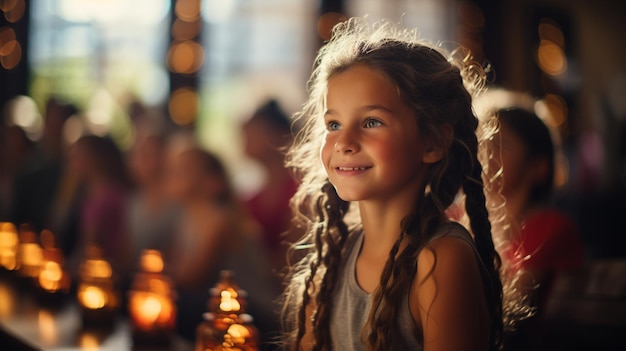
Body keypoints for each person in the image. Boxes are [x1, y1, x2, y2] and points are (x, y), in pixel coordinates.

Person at [281, 18, 513, 351]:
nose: (344, 141)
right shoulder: (333, 259)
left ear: (432, 142)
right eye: (333, 124)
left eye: (371, 121)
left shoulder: (440, 259)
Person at [489, 107, 584, 350]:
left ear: (538, 167)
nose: (487, 153)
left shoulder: (550, 227)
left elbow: (506, 311)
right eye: (485, 140)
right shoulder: (469, 222)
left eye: (502, 145)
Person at [164, 142, 277, 345]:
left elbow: (192, 277)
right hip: (220, 307)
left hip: (251, 313)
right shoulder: (186, 216)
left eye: (185, 168)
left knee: (173, 305)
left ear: (212, 181)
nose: (173, 172)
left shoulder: (221, 220)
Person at [241, 99, 299, 273]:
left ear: (279, 135)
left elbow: (291, 257)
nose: (245, 141)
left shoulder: (300, 192)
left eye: (254, 134)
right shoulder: (251, 199)